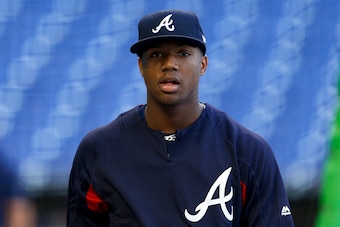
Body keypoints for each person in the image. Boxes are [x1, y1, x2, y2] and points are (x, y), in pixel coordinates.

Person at [67, 9, 294, 226]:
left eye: (183, 53)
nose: (169, 64)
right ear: (141, 66)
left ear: (203, 64)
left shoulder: (247, 152)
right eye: (156, 54)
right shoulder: (99, 150)